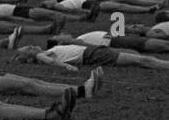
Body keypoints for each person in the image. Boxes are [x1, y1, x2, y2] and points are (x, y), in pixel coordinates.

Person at [15, 43, 169, 72]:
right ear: (30, 58)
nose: (32, 46)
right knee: (142, 60)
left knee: (139, 59)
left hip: (94, 51)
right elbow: (49, 61)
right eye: (28, 49)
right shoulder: (41, 55)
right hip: (93, 54)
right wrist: (66, 66)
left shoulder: (46, 51)